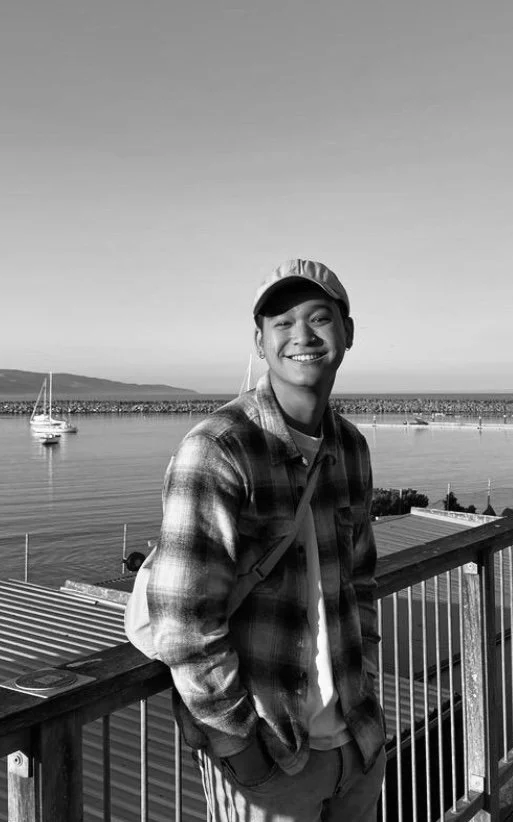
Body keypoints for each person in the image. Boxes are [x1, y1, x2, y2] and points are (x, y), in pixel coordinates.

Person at [137, 258, 386, 822]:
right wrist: (241, 753)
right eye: (282, 323)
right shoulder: (220, 448)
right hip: (273, 760)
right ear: (259, 342)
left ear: (348, 333)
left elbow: (362, 581)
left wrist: (366, 681)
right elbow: (184, 623)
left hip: (358, 742)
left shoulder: (350, 448)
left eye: (320, 318)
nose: (302, 335)